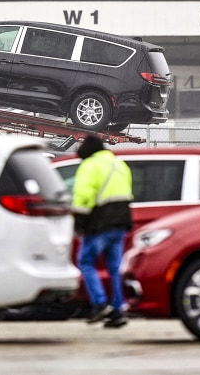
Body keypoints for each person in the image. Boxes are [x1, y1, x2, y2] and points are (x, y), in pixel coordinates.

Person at [72, 135, 134, 328]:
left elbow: (83, 197)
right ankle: (117, 310)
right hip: (120, 223)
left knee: (85, 261)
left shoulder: (89, 165)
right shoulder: (119, 164)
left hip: (99, 225)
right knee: (115, 269)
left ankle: (99, 303)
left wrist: (79, 223)